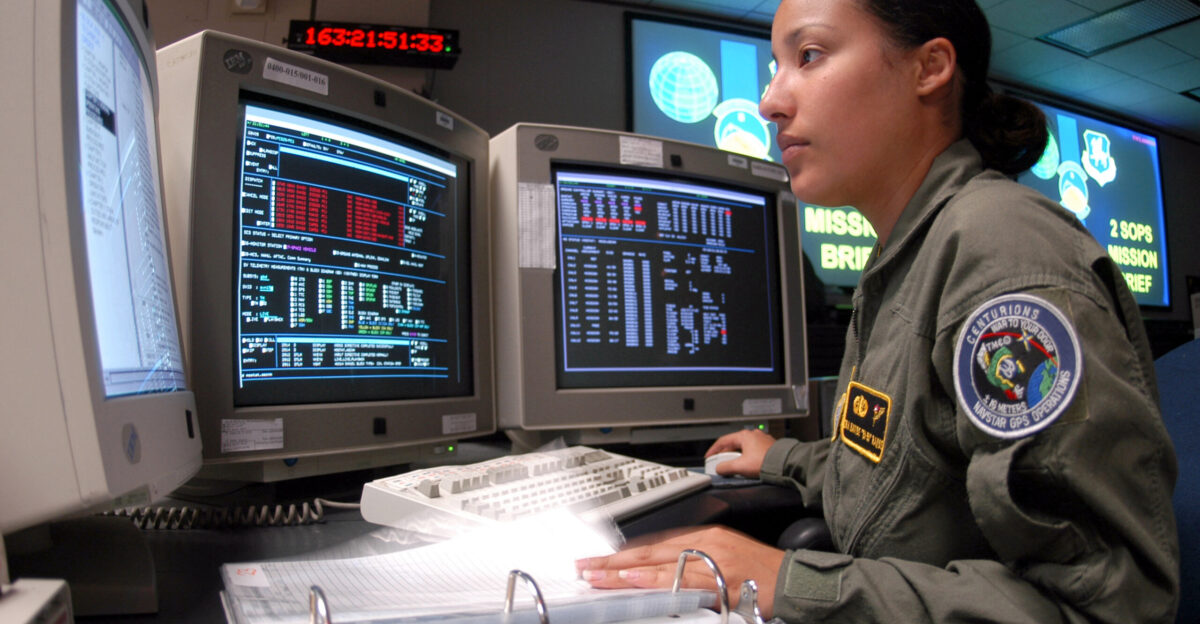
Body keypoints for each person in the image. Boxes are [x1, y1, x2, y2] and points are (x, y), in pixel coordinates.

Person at [576, 0, 1181, 621]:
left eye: (809, 55)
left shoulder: (1001, 250)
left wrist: (792, 582)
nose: (769, 102)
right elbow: (902, 471)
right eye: (776, 67)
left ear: (930, 68)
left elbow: (1108, 607)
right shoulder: (906, 255)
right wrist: (784, 458)